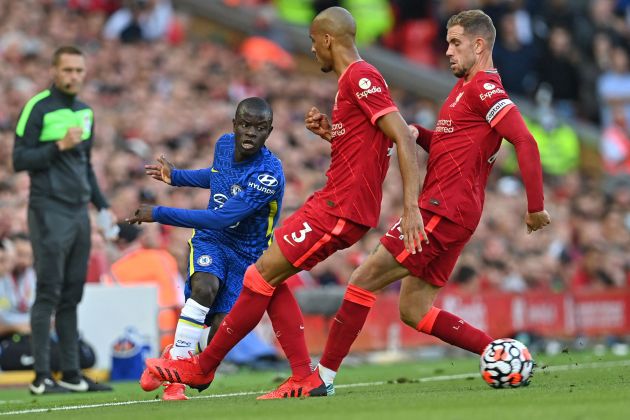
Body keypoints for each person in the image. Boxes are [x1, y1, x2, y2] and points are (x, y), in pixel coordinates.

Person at [145, 6, 425, 399]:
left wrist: (411, 207)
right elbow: (370, 149)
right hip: (332, 201)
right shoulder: (352, 82)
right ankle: (301, 376)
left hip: (340, 208)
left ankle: (202, 368)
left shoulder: (361, 76)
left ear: (328, 39)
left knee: (260, 276)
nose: (312, 50)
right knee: (269, 277)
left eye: (313, 42)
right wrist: (333, 136)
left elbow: (403, 136)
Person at [299, 9, 552, 394]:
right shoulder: (463, 88)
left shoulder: (486, 89)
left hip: (441, 209)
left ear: (479, 45)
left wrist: (535, 207)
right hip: (455, 213)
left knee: (362, 279)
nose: (447, 51)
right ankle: (498, 352)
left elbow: (526, 141)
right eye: (446, 43)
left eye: (455, 43)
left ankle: (324, 377)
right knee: (413, 311)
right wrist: (414, 133)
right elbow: (450, 147)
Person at [126, 97, 285, 400]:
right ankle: (174, 379)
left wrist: (158, 213)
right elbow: (216, 177)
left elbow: (221, 216)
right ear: (235, 124)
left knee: (209, 361)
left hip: (246, 256)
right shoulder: (224, 145)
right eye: (246, 125)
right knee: (204, 288)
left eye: (260, 128)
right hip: (212, 240)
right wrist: (177, 177)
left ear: (270, 131)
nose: (251, 132)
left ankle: (175, 354)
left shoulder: (268, 173)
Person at [12, 46, 116, 395]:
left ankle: (71, 373)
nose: (74, 76)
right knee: (48, 291)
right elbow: (19, 158)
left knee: (72, 294)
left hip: (78, 212)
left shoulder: (85, 112)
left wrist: (102, 207)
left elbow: (84, 166)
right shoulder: (38, 106)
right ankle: (42, 377)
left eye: (79, 70)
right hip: (47, 209)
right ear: (54, 70)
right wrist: (57, 145)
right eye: (68, 70)